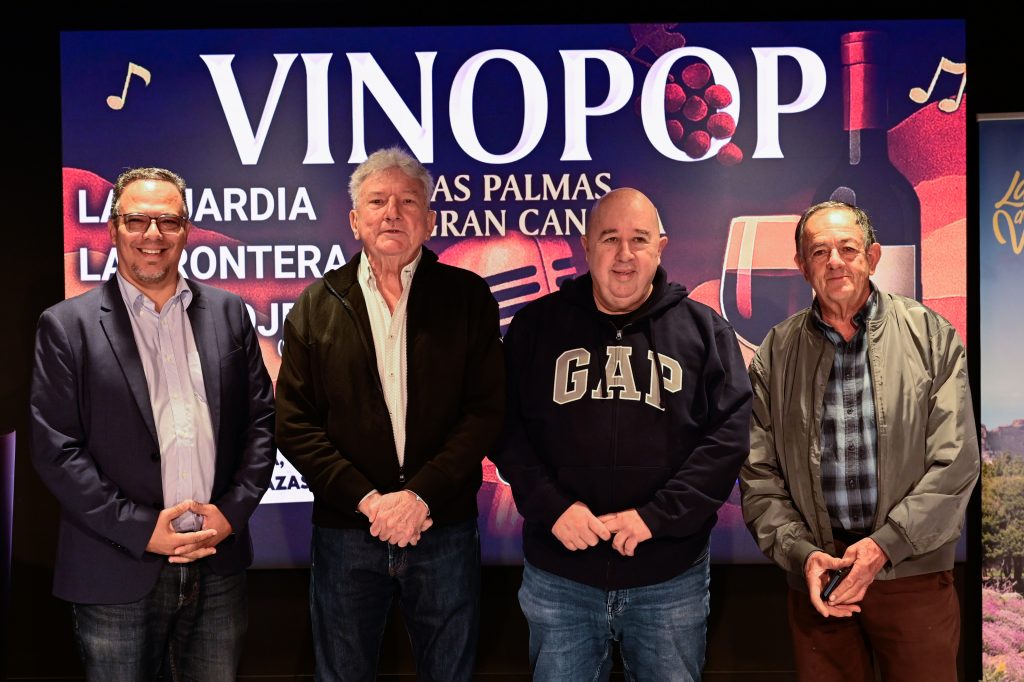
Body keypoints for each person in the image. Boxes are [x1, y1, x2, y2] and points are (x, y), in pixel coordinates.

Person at [493, 187, 752, 681]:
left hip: (668, 578)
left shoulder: (705, 331)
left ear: (661, 247)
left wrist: (656, 517)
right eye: (610, 238)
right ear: (586, 245)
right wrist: (553, 508)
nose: (624, 254)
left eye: (639, 239)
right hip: (560, 577)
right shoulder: (536, 327)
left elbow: (728, 439)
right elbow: (505, 428)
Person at [30, 167, 276, 680]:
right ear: (113, 228)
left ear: (186, 229)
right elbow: (57, 450)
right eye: (137, 220)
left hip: (217, 563)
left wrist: (231, 514)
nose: (153, 235)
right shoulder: (67, 326)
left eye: (168, 221)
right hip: (115, 569)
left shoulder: (230, 313)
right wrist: (143, 529)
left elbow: (260, 425)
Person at [275, 147, 504, 682]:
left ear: (430, 219)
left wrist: (420, 496)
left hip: (442, 527)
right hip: (347, 532)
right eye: (377, 202)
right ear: (355, 220)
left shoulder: (467, 297)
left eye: (408, 202)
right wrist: (369, 501)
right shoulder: (315, 303)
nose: (392, 214)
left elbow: (486, 410)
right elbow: (294, 423)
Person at [739, 201, 979, 681]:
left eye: (848, 249)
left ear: (872, 257)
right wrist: (803, 555)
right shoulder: (775, 352)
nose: (835, 261)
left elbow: (956, 464)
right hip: (820, 578)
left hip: (911, 573)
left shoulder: (932, 336)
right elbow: (758, 475)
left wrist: (884, 546)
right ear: (801, 265)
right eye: (819, 251)